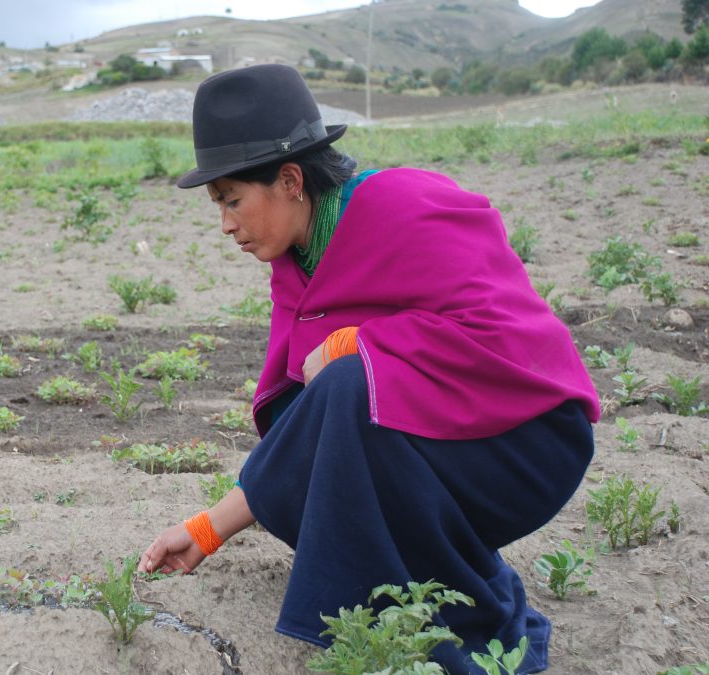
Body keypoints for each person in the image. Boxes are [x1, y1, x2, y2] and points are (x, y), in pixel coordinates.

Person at [139, 64, 600, 674]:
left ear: (290, 179)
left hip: (528, 435)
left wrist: (362, 342)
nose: (225, 224)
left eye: (232, 200)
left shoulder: (403, 205)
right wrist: (204, 531)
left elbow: (504, 337)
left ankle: (475, 623)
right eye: (218, 205)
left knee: (348, 383)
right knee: (320, 402)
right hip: (450, 427)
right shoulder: (296, 262)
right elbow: (303, 428)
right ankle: (437, 592)